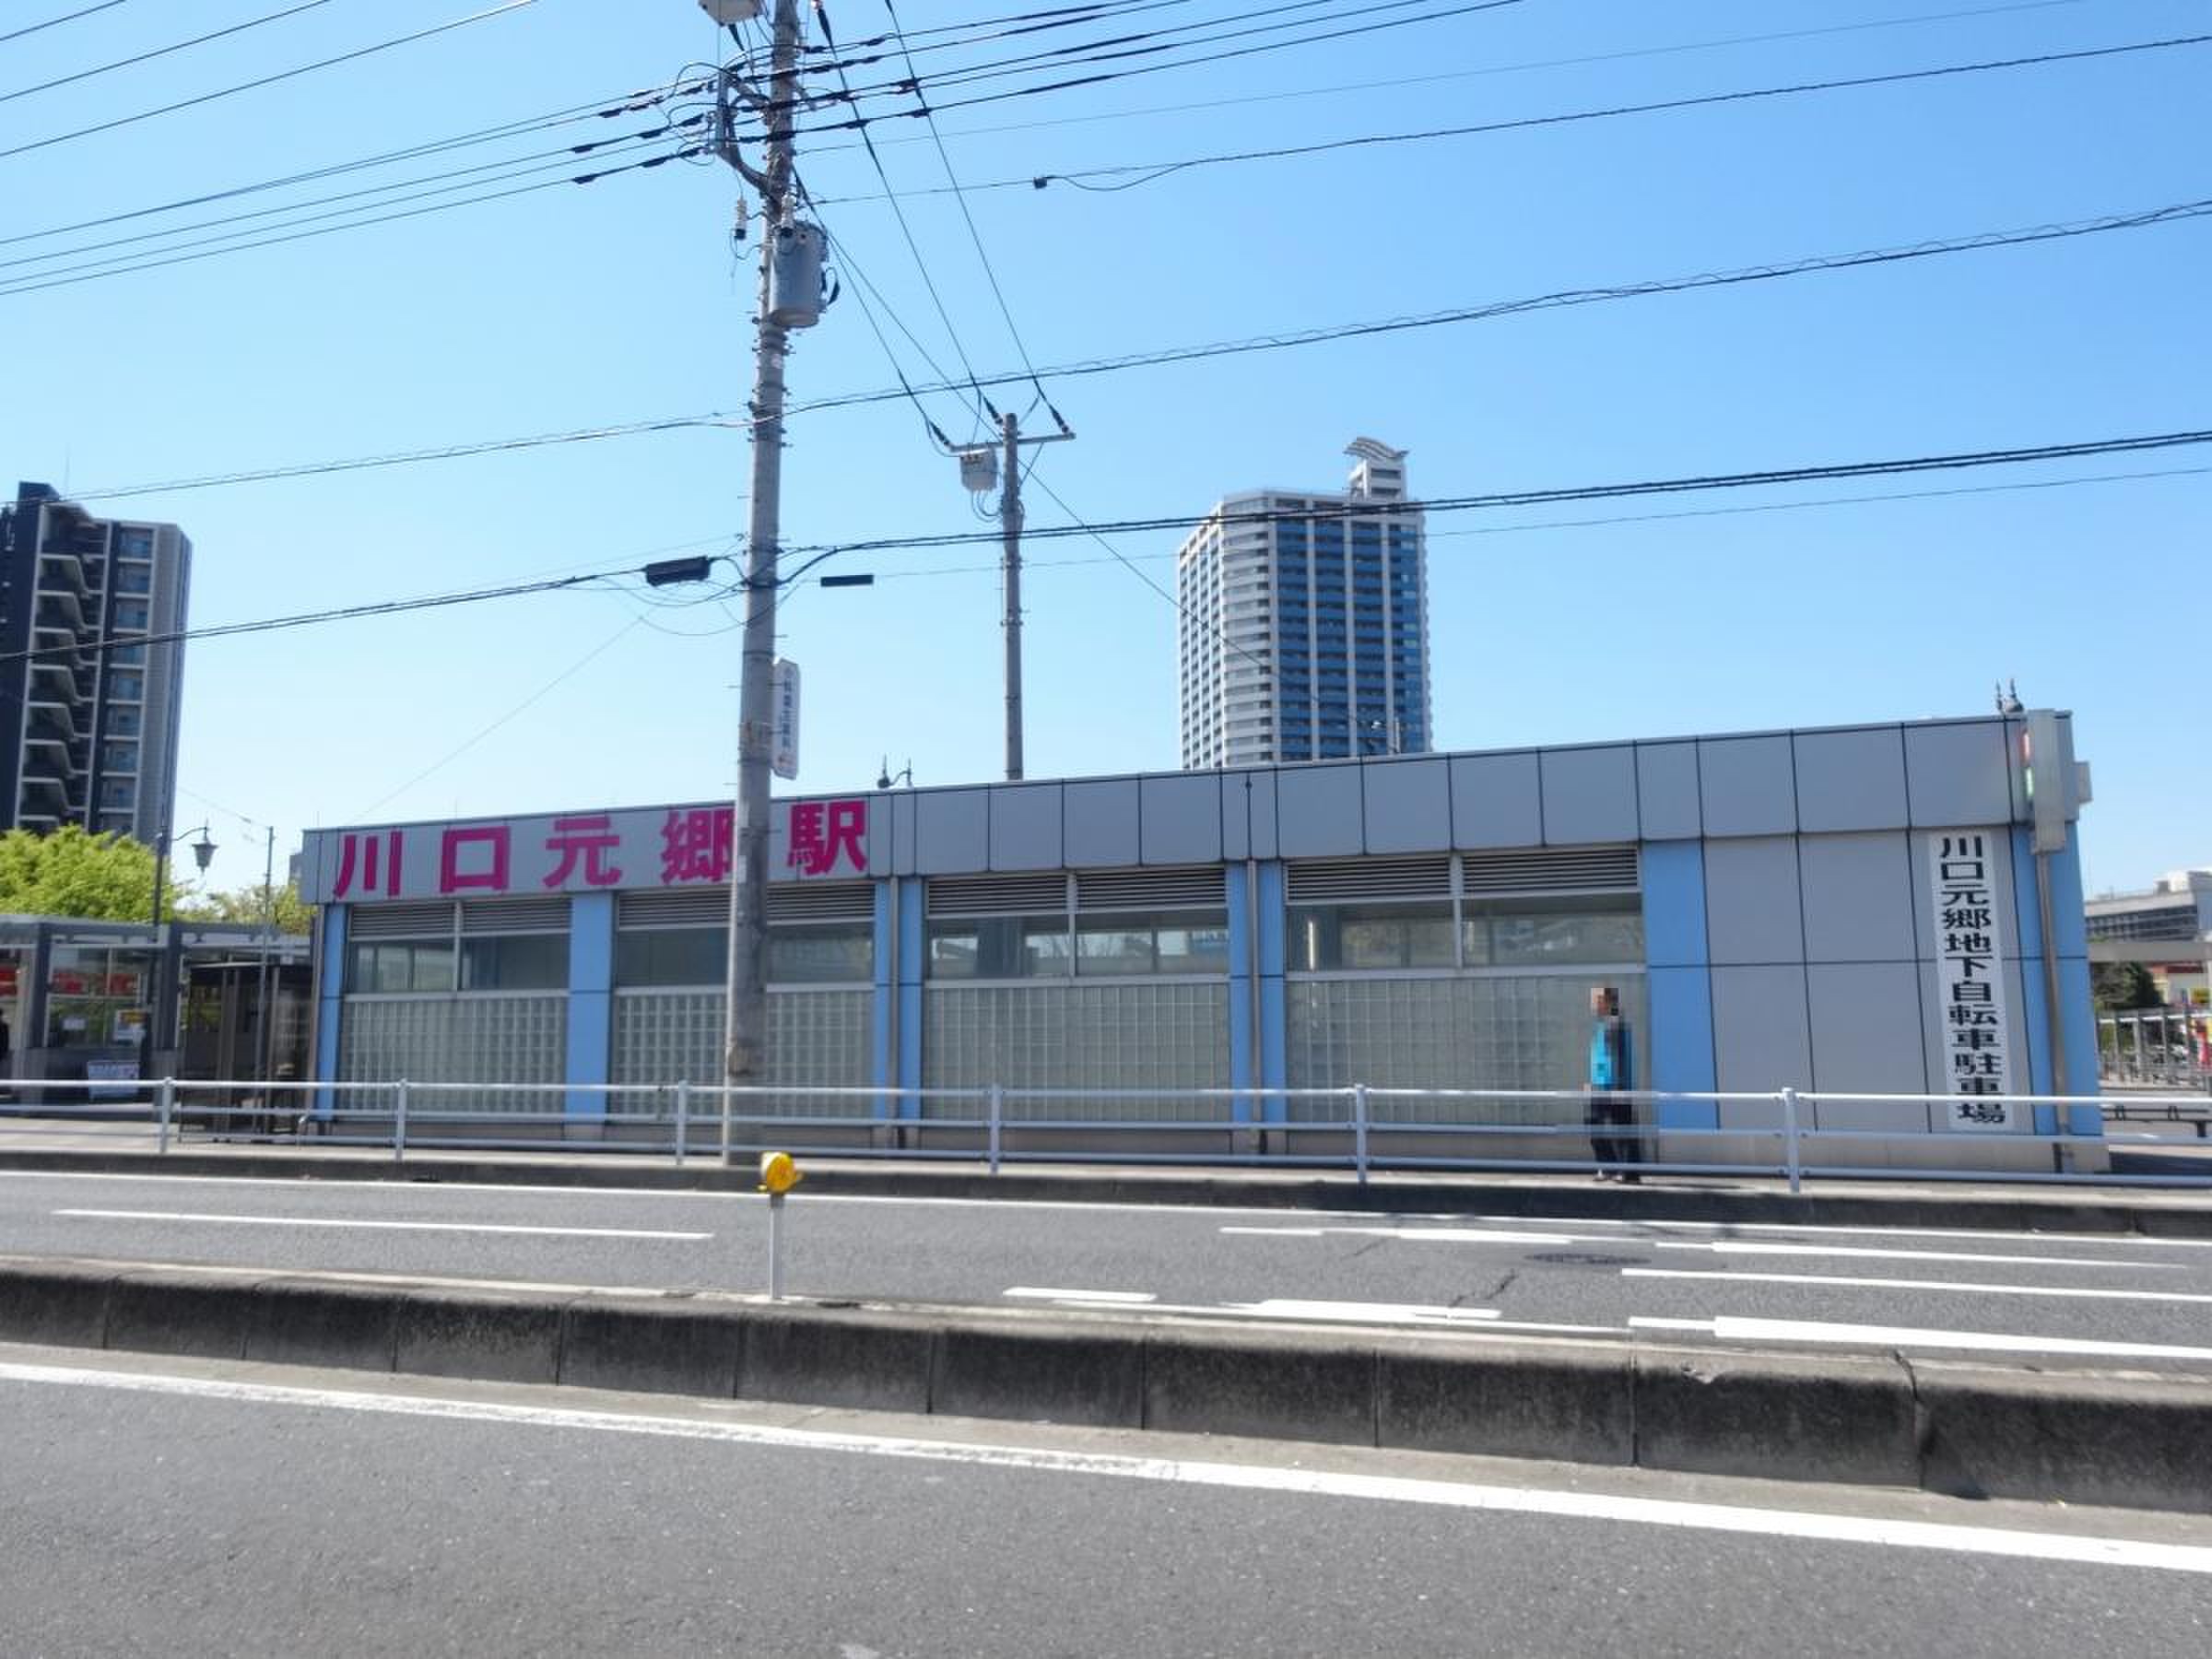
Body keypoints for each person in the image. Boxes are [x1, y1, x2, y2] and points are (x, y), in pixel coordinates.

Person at [1585, 984, 1641, 1183]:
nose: (1594, 1005)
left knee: (1622, 1129)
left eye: (1598, 1001)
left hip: (1615, 1087)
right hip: (1603, 1086)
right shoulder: (1605, 1024)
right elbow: (1601, 1059)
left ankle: (1628, 1173)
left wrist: (1616, 1087)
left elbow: (1617, 1059)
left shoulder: (1616, 1024)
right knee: (1594, 1125)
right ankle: (1612, 1168)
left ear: (1608, 1002)